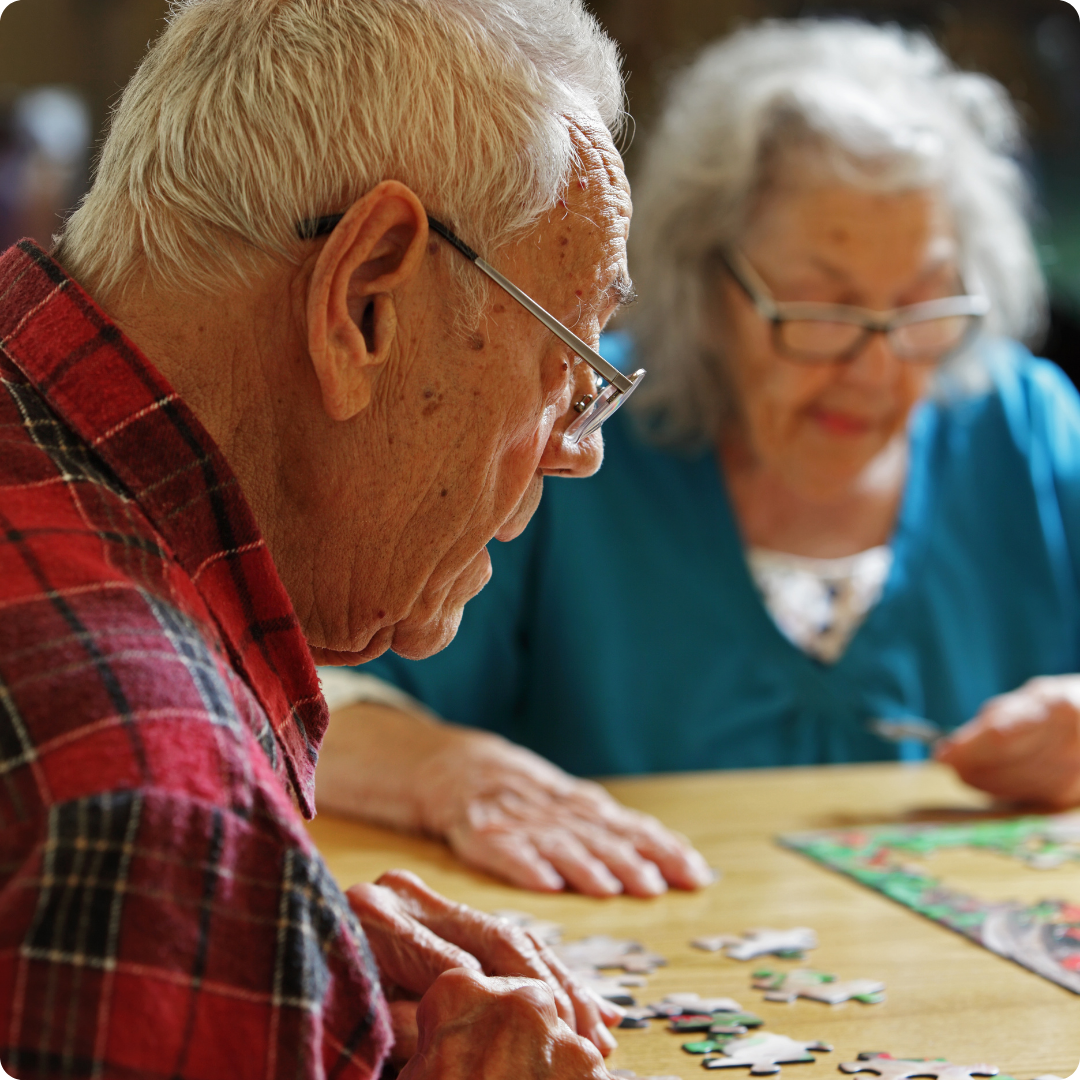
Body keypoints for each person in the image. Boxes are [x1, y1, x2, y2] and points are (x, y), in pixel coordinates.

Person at [0, 0, 676, 1075]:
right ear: (364, 302)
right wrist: (224, 910)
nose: (576, 451)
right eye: (569, 364)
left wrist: (287, 965)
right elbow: (149, 827)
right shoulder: (161, 812)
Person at [318, 18, 1080, 895]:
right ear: (704, 286)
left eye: (921, 308)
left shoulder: (1025, 429)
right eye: (819, 314)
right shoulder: (563, 433)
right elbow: (314, 704)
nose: (875, 371)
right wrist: (449, 773)